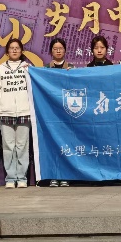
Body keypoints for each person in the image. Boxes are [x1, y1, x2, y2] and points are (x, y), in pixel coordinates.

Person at [0, 39, 31, 189]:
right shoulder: (0, 69)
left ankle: (22, 178)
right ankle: (10, 178)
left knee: (22, 146)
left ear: (21, 51)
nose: (14, 50)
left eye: (17, 48)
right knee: (8, 147)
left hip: (24, 112)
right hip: (5, 113)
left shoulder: (27, 68)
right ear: (7, 51)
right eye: (11, 48)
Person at [45, 37, 73, 187]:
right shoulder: (45, 69)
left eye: (60, 48)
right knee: (53, 145)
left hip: (67, 113)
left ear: (65, 50)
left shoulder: (71, 68)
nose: (58, 51)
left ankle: (66, 176)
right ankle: (54, 176)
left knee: (67, 145)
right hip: (51, 113)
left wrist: (72, 75)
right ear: (51, 51)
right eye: (55, 49)